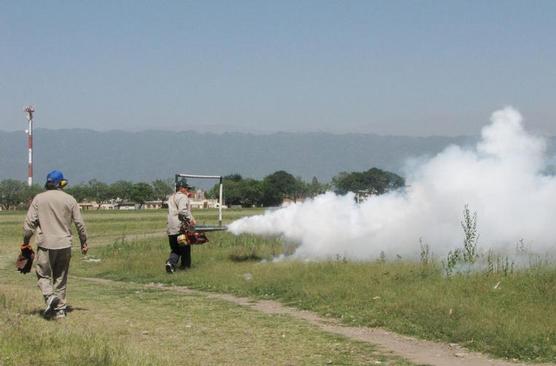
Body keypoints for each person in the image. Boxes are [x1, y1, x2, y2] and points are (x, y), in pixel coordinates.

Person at [22, 170, 88, 320]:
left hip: (45, 244)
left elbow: (29, 224)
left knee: (42, 274)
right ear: (61, 183)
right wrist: (84, 242)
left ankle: (49, 296)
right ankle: (60, 310)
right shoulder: (70, 199)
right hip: (64, 244)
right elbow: (79, 223)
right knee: (61, 277)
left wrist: (25, 242)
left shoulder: (39, 199)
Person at [166, 179, 196, 273]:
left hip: (171, 227)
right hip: (180, 227)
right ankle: (185, 268)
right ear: (181, 188)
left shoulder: (171, 197)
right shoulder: (183, 197)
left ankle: (170, 263)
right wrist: (190, 220)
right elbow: (182, 211)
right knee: (185, 248)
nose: (188, 190)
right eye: (186, 188)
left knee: (175, 249)